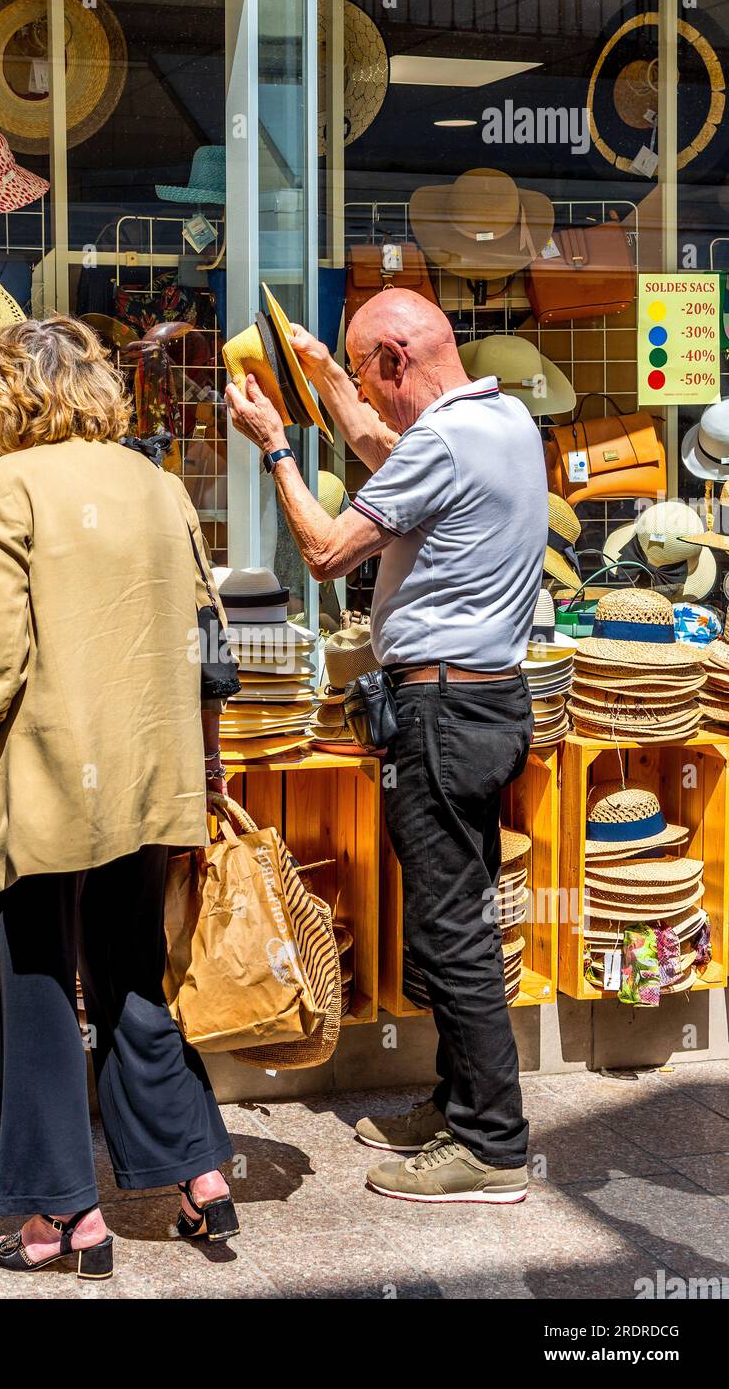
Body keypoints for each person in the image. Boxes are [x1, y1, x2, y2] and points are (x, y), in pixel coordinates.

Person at [0, 315, 239, 1278]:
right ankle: (197, 1176)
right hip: (149, 770)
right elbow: (207, 640)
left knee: (34, 984)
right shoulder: (157, 483)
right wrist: (210, 763)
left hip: (45, 777)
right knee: (133, 969)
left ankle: (61, 1217)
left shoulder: (3, 484)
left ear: (7, 396)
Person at [225, 288, 546, 1205]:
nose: (369, 390)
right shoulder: (502, 422)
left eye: (367, 371)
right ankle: (458, 1104)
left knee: (454, 934)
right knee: (460, 918)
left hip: (441, 716)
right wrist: (330, 384)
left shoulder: (444, 441)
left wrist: (277, 448)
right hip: (486, 709)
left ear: (397, 362)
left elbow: (328, 551)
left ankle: (490, 1146)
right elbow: (390, 457)